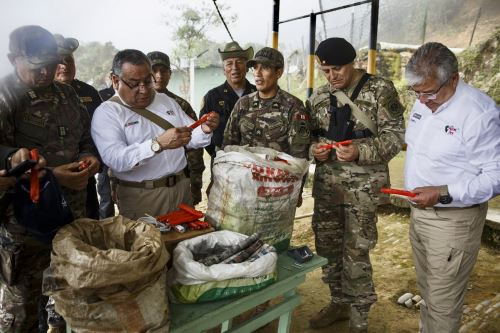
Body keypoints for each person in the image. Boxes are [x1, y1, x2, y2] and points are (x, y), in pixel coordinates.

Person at [0, 25, 99, 332]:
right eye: (36, 67)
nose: (45, 73)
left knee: (65, 303)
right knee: (21, 311)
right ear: (12, 58)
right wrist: (18, 158)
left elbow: (84, 137)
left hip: (69, 217)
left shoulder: (68, 94)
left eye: (49, 65)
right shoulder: (5, 96)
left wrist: (89, 157)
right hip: (25, 226)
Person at [307, 37, 405, 333]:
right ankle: (338, 302)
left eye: (337, 69)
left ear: (352, 63)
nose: (332, 76)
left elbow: (395, 137)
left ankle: (359, 318)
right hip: (327, 188)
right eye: (325, 71)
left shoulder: (380, 89)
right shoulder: (319, 96)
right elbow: (309, 137)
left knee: (356, 251)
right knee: (328, 247)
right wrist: (315, 151)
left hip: (362, 190)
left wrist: (361, 151)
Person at [404, 42, 500, 333]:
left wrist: (444, 191)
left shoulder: (479, 113)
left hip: (452, 221)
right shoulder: (423, 100)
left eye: (429, 92)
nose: (421, 100)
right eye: (416, 92)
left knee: (443, 302)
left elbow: (495, 177)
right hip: (419, 213)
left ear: (454, 79)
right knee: (429, 293)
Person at [91, 49, 219, 219]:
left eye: (147, 81)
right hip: (142, 197)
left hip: (181, 191)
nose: (143, 90)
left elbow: (190, 135)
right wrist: (157, 144)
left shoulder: (165, 100)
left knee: (186, 244)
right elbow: (116, 159)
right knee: (148, 245)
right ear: (115, 80)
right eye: (134, 84)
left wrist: (204, 129)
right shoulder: (107, 113)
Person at [222, 47, 311, 206]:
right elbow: (228, 146)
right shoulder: (243, 104)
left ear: (278, 72)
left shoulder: (293, 107)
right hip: (243, 187)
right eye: (255, 67)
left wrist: (298, 189)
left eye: (265, 67)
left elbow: (300, 156)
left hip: (277, 190)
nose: (258, 72)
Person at [53, 34, 103, 220]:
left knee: (89, 229)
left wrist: (94, 159)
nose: (64, 65)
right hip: (47, 184)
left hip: (84, 178)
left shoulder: (88, 92)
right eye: (58, 61)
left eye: (69, 60)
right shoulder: (25, 96)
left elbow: (96, 134)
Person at [147, 51, 205, 205]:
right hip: (146, 186)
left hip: (179, 181)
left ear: (170, 74)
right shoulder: (133, 104)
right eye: (154, 70)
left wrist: (196, 183)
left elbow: (195, 148)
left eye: (164, 71)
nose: (159, 75)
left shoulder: (180, 104)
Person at [200, 41, 256, 160]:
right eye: (229, 63)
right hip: (223, 161)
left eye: (239, 62)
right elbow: (202, 132)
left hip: (254, 162)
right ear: (223, 69)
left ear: (246, 67)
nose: (234, 67)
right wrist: (218, 153)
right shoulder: (212, 97)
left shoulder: (258, 94)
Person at [96, 71, 117, 218]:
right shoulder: (101, 95)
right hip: (105, 162)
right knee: (106, 200)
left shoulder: (135, 96)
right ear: (112, 77)